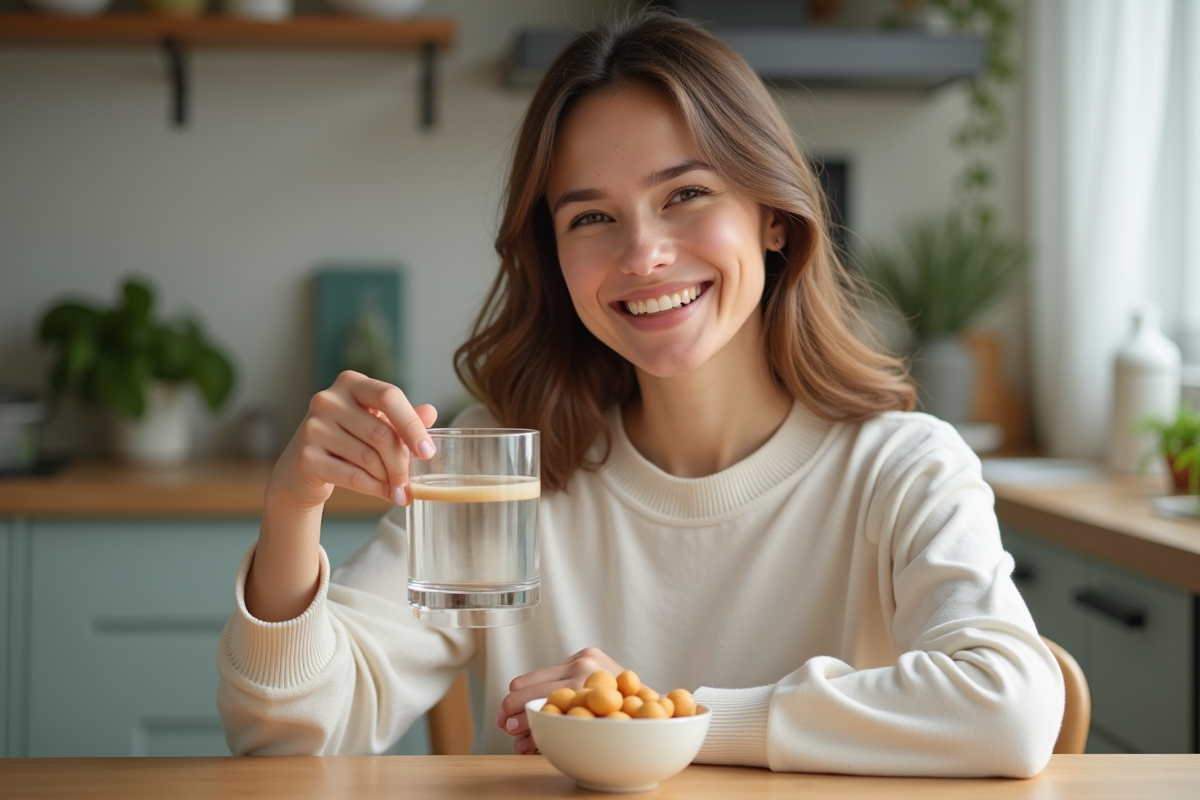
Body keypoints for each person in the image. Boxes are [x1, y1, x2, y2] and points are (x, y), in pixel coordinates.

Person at [216, 10, 1063, 777]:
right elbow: (289, 736)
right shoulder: (505, 467)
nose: (643, 254)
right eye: (592, 217)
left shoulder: (901, 467)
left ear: (773, 215)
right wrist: (294, 505)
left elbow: (1010, 710)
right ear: (553, 254)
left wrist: (658, 714)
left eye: (685, 195)